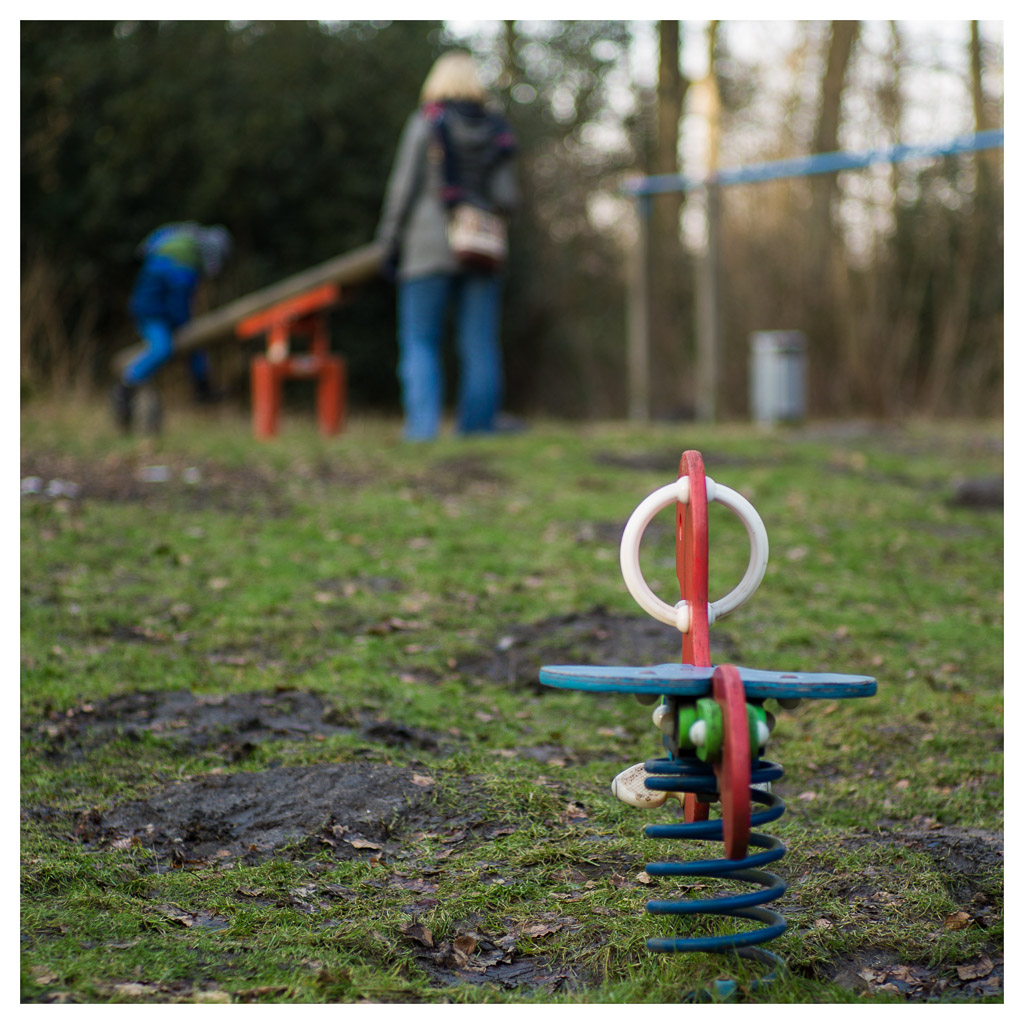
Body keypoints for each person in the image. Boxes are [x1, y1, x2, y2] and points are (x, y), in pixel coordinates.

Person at [375, 51, 518, 441]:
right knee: (479, 342)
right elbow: (508, 196)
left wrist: (388, 242)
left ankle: (422, 429)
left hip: (427, 246)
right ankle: (476, 429)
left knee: (420, 339)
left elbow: (403, 189)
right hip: (482, 245)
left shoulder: (426, 122)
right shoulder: (496, 129)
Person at [113, 221, 232, 431]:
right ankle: (125, 386)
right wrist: (182, 324)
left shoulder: (173, 249)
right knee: (162, 348)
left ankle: (202, 387)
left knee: (195, 345)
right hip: (152, 315)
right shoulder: (183, 264)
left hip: (158, 313)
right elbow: (178, 303)